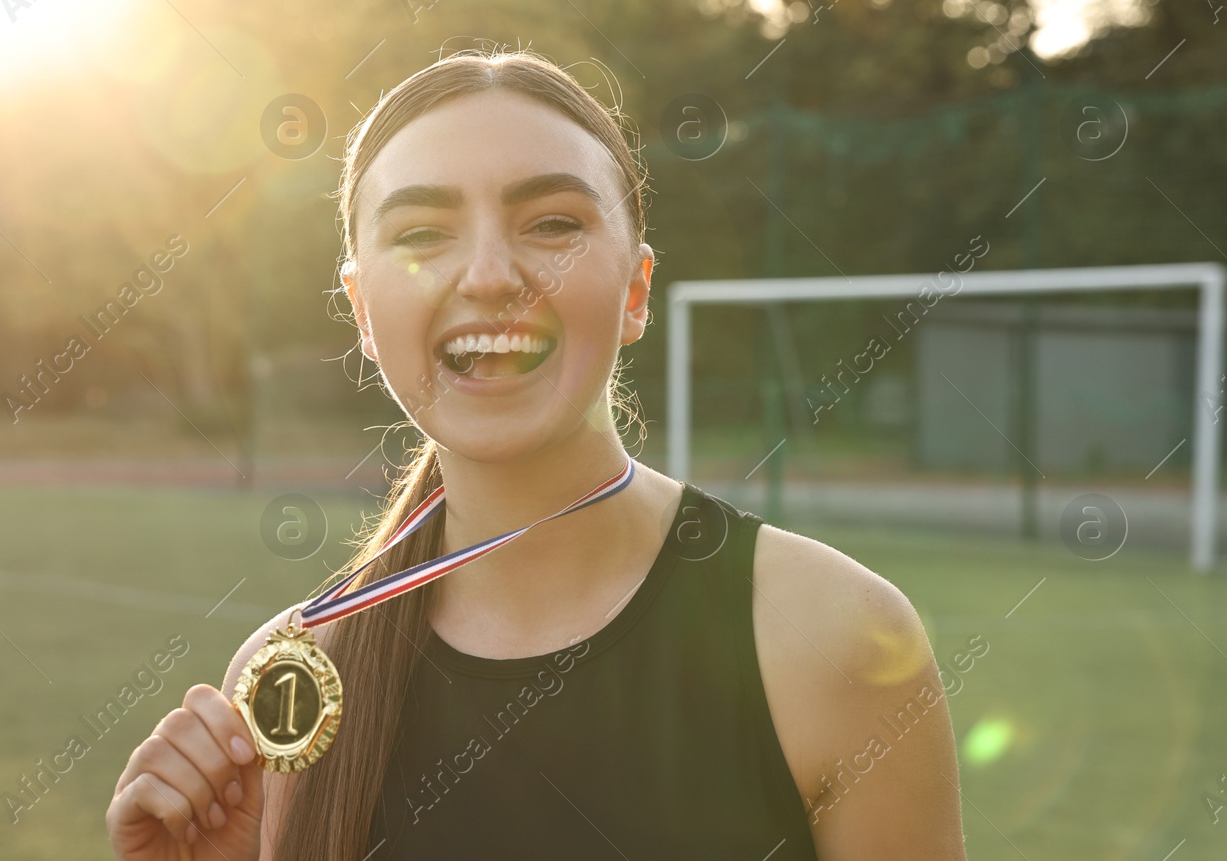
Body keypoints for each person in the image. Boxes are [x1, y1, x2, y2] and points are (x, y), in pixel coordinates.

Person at [108, 50, 967, 860]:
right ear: (363, 311)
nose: (488, 273)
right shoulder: (293, 683)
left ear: (635, 291)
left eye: (552, 223)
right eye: (421, 232)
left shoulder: (834, 639)